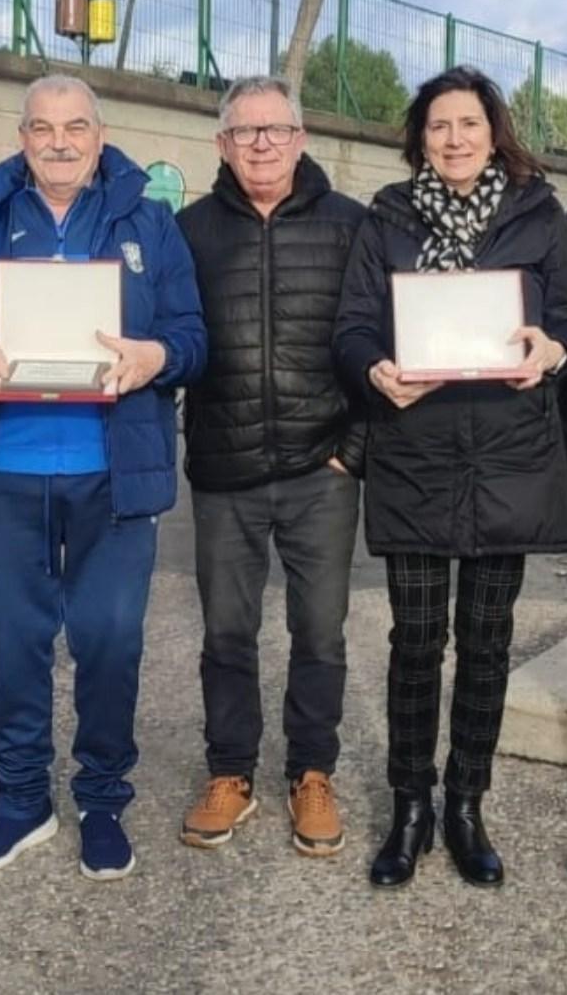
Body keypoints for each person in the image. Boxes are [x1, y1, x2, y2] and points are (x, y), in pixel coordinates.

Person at [0, 73, 205, 881]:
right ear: (23, 135)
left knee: (110, 642)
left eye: (76, 126)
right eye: (42, 128)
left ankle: (103, 799)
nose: (60, 141)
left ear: (100, 136)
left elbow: (190, 335)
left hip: (114, 474)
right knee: (17, 643)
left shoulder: (149, 222)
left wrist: (156, 357)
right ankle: (22, 800)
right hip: (7, 469)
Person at [333, 66, 567, 889]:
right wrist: (374, 369)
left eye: (468, 124)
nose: (454, 139)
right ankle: (410, 803)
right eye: (439, 125)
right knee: (416, 642)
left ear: (493, 130)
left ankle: (466, 803)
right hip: (414, 454)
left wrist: (552, 348)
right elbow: (354, 324)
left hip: (507, 458)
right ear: (420, 137)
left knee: (486, 644)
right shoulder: (389, 218)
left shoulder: (539, 216)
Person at [175, 76, 365, 857]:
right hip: (225, 472)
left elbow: (376, 340)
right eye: (244, 132)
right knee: (227, 632)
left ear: (301, 137)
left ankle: (312, 771)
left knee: (320, 631)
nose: (260, 144)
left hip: (321, 470)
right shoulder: (185, 231)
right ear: (221, 144)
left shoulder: (352, 226)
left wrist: (353, 451)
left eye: (275, 130)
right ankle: (231, 772)